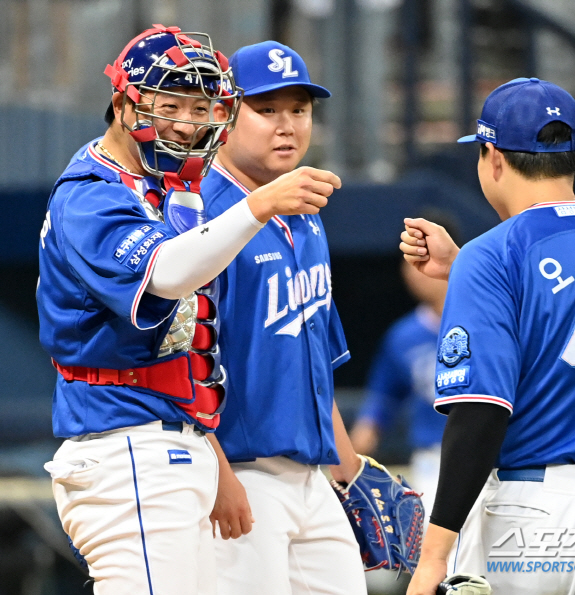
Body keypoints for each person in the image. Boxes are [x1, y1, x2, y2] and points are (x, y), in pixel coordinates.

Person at [38, 26, 339, 595]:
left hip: (175, 439)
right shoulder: (91, 190)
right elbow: (167, 274)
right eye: (169, 104)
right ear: (125, 104)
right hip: (124, 437)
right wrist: (257, 207)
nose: (184, 122)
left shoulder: (165, 189)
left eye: (200, 108)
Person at [401, 78, 575, 595]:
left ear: (494, 158)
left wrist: (433, 557)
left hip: (529, 514)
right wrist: (465, 271)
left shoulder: (492, 254)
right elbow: (573, 303)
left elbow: (480, 412)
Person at [200, 41, 367, 594]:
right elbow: (183, 364)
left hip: (313, 478)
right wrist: (218, 476)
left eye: (299, 109)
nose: (286, 125)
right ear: (225, 114)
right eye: (266, 108)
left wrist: (349, 471)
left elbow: (316, 360)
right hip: (242, 473)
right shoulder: (202, 212)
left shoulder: (306, 212)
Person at [350, 213, 461, 518]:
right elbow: (381, 402)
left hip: (492, 454)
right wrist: (353, 456)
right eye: (407, 262)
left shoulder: (488, 320)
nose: (414, 272)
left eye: (421, 259)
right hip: (433, 460)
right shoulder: (403, 336)